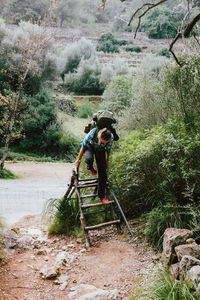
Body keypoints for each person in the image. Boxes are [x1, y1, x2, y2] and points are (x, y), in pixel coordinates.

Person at [75, 127, 114, 204]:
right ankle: (90, 167)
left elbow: (108, 149)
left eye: (105, 142)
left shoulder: (111, 137)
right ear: (99, 136)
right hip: (90, 146)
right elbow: (83, 146)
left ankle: (102, 196)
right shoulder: (93, 133)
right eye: (103, 142)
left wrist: (107, 159)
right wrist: (78, 160)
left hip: (100, 150)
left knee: (103, 173)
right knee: (89, 159)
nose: (105, 143)